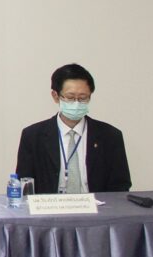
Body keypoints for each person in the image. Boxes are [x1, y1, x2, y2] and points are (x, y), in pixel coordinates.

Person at [15, 63, 131, 194]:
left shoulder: (110, 136)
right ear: (55, 96)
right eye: (70, 97)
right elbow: (24, 185)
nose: (76, 103)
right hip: (50, 205)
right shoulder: (33, 136)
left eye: (83, 98)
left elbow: (121, 186)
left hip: (97, 205)